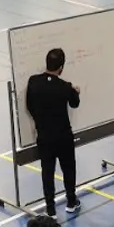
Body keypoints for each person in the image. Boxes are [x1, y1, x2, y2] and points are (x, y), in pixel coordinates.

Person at [25, 48, 81, 217]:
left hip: (45, 137)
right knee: (68, 169)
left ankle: (50, 208)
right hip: (63, 136)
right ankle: (71, 201)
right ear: (61, 67)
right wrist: (76, 92)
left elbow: (29, 105)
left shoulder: (33, 81)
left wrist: (39, 121)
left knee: (47, 172)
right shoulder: (65, 87)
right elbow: (75, 104)